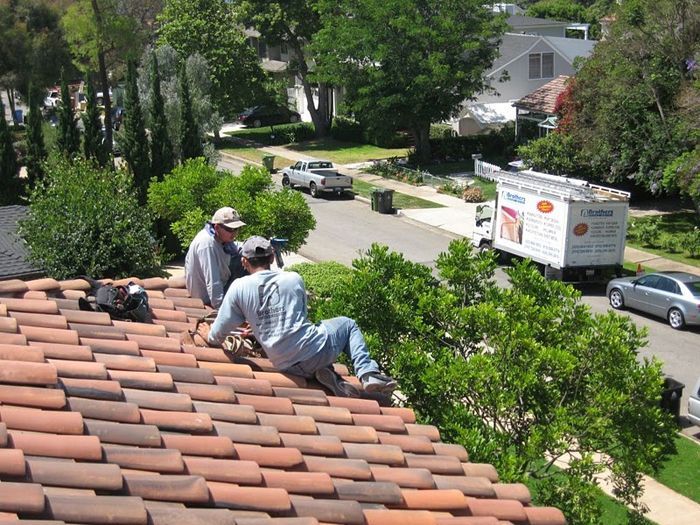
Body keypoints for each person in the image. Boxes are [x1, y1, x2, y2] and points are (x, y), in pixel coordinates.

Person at [206, 236, 396, 397]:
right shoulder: (293, 278)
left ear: (244, 261)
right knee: (348, 325)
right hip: (312, 351)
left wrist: (209, 336)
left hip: (283, 363)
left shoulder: (238, 287)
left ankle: (324, 374)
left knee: (314, 337)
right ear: (272, 257)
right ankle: (368, 373)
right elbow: (300, 319)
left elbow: (218, 332)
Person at [184, 207, 246, 309]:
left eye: (236, 229)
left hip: (220, 284)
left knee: (251, 255)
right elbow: (213, 281)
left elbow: (236, 247)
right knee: (248, 264)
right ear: (217, 227)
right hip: (206, 296)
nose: (234, 233)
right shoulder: (207, 244)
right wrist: (222, 309)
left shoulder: (219, 238)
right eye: (230, 229)